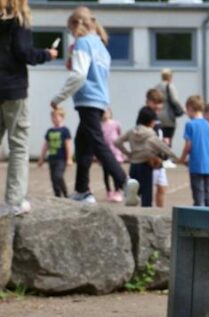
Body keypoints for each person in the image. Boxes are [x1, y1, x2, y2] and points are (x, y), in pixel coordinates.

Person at [50, 6, 136, 204]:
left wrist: (58, 98)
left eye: (71, 31)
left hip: (87, 100)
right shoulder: (101, 47)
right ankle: (82, 190)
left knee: (98, 143)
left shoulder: (82, 43)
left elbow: (79, 75)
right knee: (83, 144)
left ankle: (125, 181)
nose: (72, 35)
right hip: (99, 100)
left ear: (76, 25)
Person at [0, 0, 57, 214]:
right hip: (13, 89)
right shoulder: (19, 20)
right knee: (19, 145)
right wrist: (46, 54)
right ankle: (15, 200)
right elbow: (23, 52)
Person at [114, 107, 177, 207]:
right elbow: (163, 148)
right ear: (151, 121)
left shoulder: (131, 131)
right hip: (145, 166)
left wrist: (128, 153)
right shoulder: (150, 134)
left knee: (133, 195)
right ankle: (145, 217)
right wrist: (176, 158)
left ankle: (129, 215)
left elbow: (117, 142)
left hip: (133, 166)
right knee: (146, 196)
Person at [178, 95, 209, 207]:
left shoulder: (190, 124)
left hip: (196, 164)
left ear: (190, 108)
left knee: (198, 193)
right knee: (208, 194)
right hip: (208, 163)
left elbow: (188, 145)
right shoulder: (208, 124)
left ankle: (198, 217)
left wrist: (182, 159)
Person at [142, 88, 172, 208]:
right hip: (150, 161)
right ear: (148, 102)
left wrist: (164, 143)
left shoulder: (158, 119)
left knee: (162, 188)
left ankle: (160, 210)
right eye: (155, 103)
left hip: (159, 161)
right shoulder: (145, 117)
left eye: (160, 103)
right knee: (147, 191)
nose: (158, 106)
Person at [36, 107, 72, 198]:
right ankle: (57, 196)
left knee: (58, 176)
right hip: (52, 158)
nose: (54, 119)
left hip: (61, 159)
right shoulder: (50, 131)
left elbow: (68, 145)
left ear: (62, 117)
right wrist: (41, 158)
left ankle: (66, 193)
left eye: (56, 116)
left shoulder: (65, 130)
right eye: (52, 117)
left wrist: (69, 158)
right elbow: (46, 145)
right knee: (53, 179)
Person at [101, 107, 124, 202]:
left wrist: (122, 152)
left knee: (115, 172)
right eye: (103, 112)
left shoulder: (116, 124)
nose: (105, 113)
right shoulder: (100, 125)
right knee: (106, 173)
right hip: (105, 152)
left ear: (110, 113)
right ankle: (108, 191)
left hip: (116, 152)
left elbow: (120, 136)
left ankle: (117, 191)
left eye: (107, 111)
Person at [154, 68, 183, 144]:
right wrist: (182, 109)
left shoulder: (156, 87)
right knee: (167, 141)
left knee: (159, 140)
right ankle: (165, 155)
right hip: (168, 117)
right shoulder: (170, 86)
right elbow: (174, 100)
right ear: (170, 77)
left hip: (157, 116)